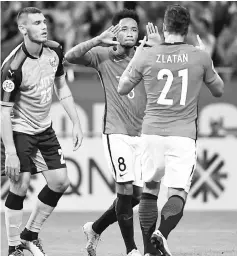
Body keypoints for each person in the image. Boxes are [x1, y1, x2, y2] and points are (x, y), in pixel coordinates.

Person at [118, 4, 224, 256]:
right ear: (187, 29)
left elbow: (122, 87)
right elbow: (219, 89)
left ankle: (148, 251)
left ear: (164, 27)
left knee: (150, 188)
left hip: (151, 132)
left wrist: (142, 52)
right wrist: (205, 56)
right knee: (177, 192)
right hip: (182, 135)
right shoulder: (199, 56)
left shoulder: (147, 54)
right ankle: (162, 234)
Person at [66, 9, 160, 256]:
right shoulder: (102, 55)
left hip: (141, 135)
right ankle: (131, 250)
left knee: (137, 196)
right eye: (124, 29)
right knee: (125, 190)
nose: (130, 33)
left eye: (133, 29)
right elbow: (70, 56)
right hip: (115, 133)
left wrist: (161, 48)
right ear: (115, 32)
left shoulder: (147, 55)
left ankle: (94, 229)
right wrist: (98, 39)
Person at [1, 7, 83, 256]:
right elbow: (4, 112)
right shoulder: (12, 67)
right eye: (37, 23)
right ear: (23, 29)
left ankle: (30, 234)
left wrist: (76, 122)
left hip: (44, 128)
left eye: (44, 21)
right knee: (20, 182)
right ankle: (14, 247)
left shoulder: (55, 50)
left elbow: (62, 86)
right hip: (19, 129)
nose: (44, 26)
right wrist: (12, 152)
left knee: (60, 182)